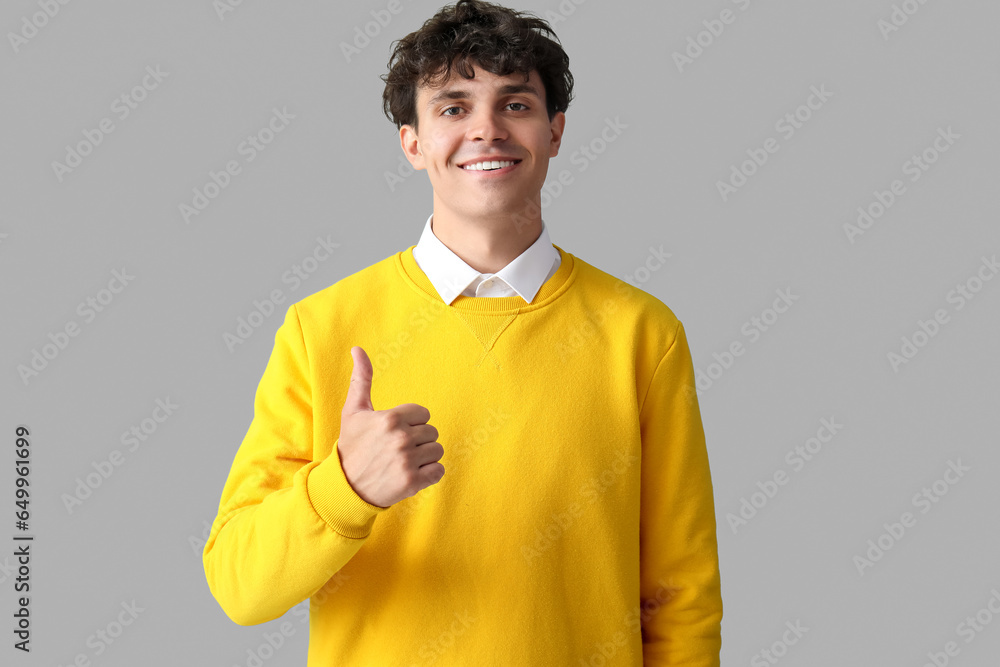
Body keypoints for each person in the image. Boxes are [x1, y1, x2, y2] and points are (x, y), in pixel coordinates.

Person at [202, 1, 723, 664]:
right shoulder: (320, 329)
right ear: (412, 142)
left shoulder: (644, 334)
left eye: (515, 104)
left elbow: (681, 598)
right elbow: (238, 587)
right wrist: (346, 488)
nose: (487, 130)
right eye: (453, 107)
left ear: (555, 131)